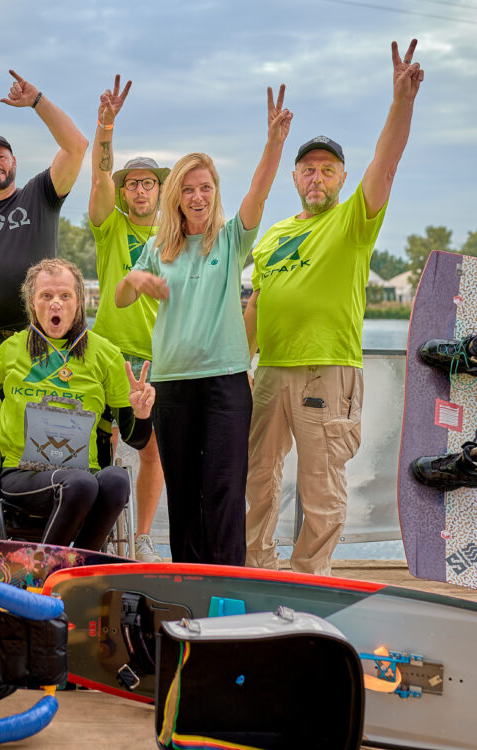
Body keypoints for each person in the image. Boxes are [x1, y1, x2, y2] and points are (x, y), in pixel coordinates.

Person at [244, 41, 424, 576]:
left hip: (328, 371)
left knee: (322, 485)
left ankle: (308, 578)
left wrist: (401, 102)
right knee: (259, 476)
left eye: (327, 169)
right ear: (294, 178)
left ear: (342, 178)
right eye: (307, 169)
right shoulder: (274, 234)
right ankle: (255, 566)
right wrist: (241, 365)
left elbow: (386, 165)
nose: (316, 177)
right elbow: (257, 302)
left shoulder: (352, 223)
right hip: (270, 371)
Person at [115, 86, 292, 565]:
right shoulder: (159, 248)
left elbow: (260, 190)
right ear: (176, 195)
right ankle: (189, 586)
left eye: (205, 187)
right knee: (185, 496)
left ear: (215, 194)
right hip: (171, 384)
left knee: (225, 493)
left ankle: (228, 591)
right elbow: (121, 297)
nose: (197, 195)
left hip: (225, 382)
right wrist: (134, 278)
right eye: (188, 188)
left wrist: (274, 142)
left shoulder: (232, 239)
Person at [0, 258, 155, 552]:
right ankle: (47, 571)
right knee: (80, 484)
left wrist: (141, 414)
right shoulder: (12, 349)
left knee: (115, 478)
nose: (55, 304)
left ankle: (79, 567)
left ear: (79, 302)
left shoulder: (106, 355)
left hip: (82, 473)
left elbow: (135, 438)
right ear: (32, 303)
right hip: (22, 474)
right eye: (46, 296)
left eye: (65, 296)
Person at [0, 70, 88, 374]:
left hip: (42, 336)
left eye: (1, 156)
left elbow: (76, 145)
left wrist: (37, 101)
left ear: (14, 162)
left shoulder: (41, 195)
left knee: (43, 420)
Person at [89, 74, 168, 562]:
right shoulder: (110, 227)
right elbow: (98, 178)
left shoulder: (176, 236)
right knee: (103, 443)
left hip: (159, 359)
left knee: (152, 450)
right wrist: (105, 129)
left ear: (161, 191)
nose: (140, 191)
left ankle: (140, 538)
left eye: (149, 183)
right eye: (132, 183)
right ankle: (97, 536)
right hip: (109, 353)